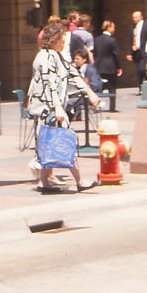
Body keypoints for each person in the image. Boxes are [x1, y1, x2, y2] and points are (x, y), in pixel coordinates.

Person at [27, 21, 99, 194]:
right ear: (53, 39)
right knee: (66, 141)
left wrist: (89, 92)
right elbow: (48, 84)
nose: (65, 41)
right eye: (62, 37)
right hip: (49, 109)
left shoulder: (55, 56)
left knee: (48, 143)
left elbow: (72, 73)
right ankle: (80, 181)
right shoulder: (46, 57)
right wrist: (57, 107)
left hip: (50, 108)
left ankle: (44, 182)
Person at [93, 19, 122, 101]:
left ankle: (97, 104)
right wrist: (119, 67)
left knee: (99, 86)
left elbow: (95, 53)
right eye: (113, 27)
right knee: (112, 87)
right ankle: (112, 107)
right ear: (108, 27)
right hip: (110, 67)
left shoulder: (96, 39)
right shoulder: (112, 40)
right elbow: (116, 54)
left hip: (98, 66)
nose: (114, 29)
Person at [127, 10, 146, 91]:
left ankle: (146, 79)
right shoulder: (132, 27)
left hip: (144, 51)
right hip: (135, 51)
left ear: (141, 17)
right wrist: (129, 53)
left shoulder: (146, 26)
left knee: (142, 69)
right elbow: (130, 40)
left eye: (135, 17)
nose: (134, 19)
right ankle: (140, 87)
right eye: (133, 17)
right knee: (137, 70)